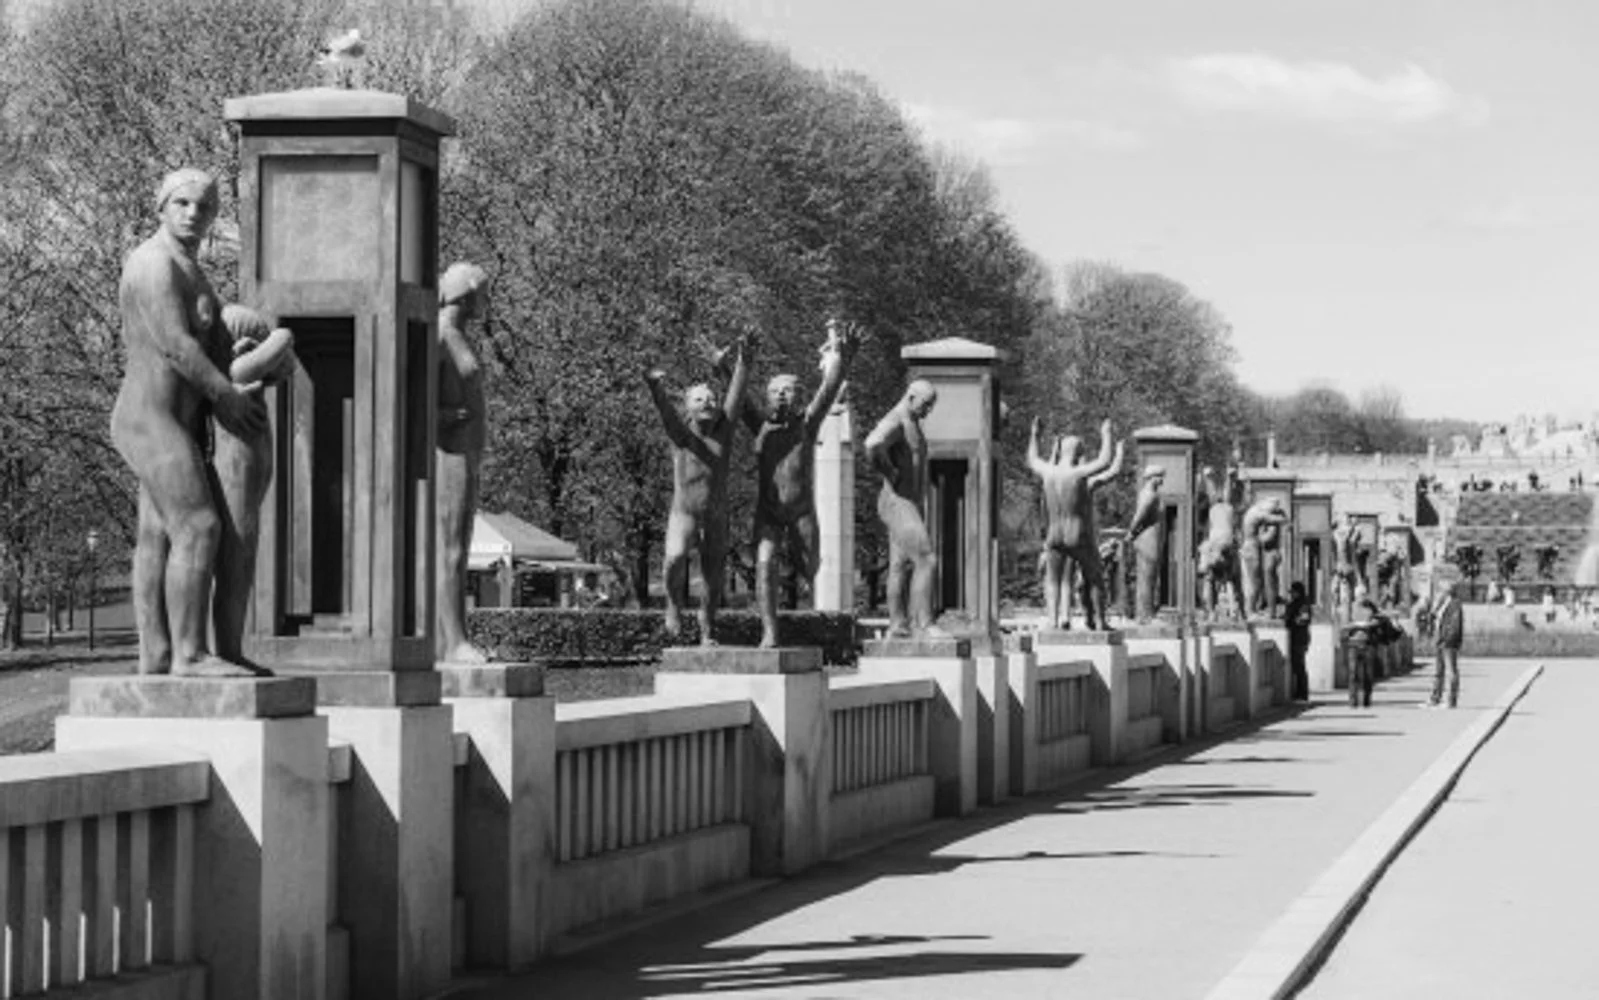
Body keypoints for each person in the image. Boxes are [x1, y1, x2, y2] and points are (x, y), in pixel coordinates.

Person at [114, 168, 267, 677]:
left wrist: (238, 352)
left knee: (158, 532)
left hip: (179, 420)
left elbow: (206, 343)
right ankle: (190, 654)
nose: (193, 214)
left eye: (204, 207)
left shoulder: (192, 270)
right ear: (161, 207)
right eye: (182, 203)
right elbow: (175, 345)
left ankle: (156, 654)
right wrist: (224, 396)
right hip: (149, 418)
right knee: (199, 526)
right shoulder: (152, 264)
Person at [743, 320, 858, 647]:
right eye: (775, 391)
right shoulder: (760, 426)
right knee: (765, 564)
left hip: (801, 512)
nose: (780, 396)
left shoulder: (807, 425)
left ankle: (817, 619)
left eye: (788, 390)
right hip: (768, 513)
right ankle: (770, 632)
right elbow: (740, 401)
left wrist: (843, 360)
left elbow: (827, 391)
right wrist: (734, 366)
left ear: (798, 397)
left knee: (810, 565)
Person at [643, 331, 750, 643]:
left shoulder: (724, 433)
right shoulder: (682, 437)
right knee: (675, 558)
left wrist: (744, 361)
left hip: (716, 515)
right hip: (684, 514)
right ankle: (673, 607)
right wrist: (655, 386)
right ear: (688, 407)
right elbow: (665, 414)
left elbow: (737, 395)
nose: (709, 402)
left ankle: (707, 629)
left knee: (713, 576)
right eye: (700, 399)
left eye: (712, 399)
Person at [436, 263, 492, 663]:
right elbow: (411, 397)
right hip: (449, 453)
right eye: (484, 294)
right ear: (467, 293)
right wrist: (443, 416)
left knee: (460, 546)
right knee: (451, 549)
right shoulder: (438, 335)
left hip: (466, 451)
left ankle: (455, 636)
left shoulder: (455, 335)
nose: (486, 302)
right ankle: (452, 641)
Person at [865, 378, 942, 638]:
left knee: (899, 565)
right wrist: (889, 470)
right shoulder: (896, 420)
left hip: (907, 502)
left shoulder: (912, 423)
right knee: (927, 558)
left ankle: (898, 625)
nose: (928, 411)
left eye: (931, 406)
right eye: (926, 404)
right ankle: (924, 623)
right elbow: (872, 443)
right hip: (898, 502)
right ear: (911, 398)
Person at [1027, 416, 1118, 630]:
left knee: (1052, 578)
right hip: (1076, 533)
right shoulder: (1078, 473)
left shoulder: (1048, 472)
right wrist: (1106, 434)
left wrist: (1034, 435)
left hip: (1054, 534)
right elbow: (1105, 461)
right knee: (1095, 575)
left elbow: (1032, 459)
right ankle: (1100, 620)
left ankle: (1052, 621)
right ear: (1077, 453)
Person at [1427, 581, 1463, 708]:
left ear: (1446, 591)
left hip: (1448, 642)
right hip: (1440, 640)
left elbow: (1455, 625)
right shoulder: (1442, 604)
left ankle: (1451, 700)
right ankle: (1435, 699)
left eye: (1440, 590)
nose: (1438, 593)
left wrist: (1448, 639)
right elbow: (1436, 619)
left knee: (1451, 671)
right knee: (1439, 671)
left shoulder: (1454, 604)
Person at [1341, 599, 1383, 708]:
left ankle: (1366, 699)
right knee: (1353, 673)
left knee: (1368, 674)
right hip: (1353, 645)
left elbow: (1377, 623)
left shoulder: (1372, 609)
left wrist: (1364, 625)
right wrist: (1358, 625)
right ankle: (1352, 701)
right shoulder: (1349, 608)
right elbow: (1344, 625)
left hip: (1368, 645)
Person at [1284, 581, 1313, 701]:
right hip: (1295, 636)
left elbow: (1304, 619)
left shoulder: (1304, 604)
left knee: (1299, 665)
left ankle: (1302, 692)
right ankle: (1298, 691)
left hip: (1300, 637)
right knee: (1296, 666)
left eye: (1294, 592)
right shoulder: (1294, 603)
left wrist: (1293, 622)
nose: (1292, 595)